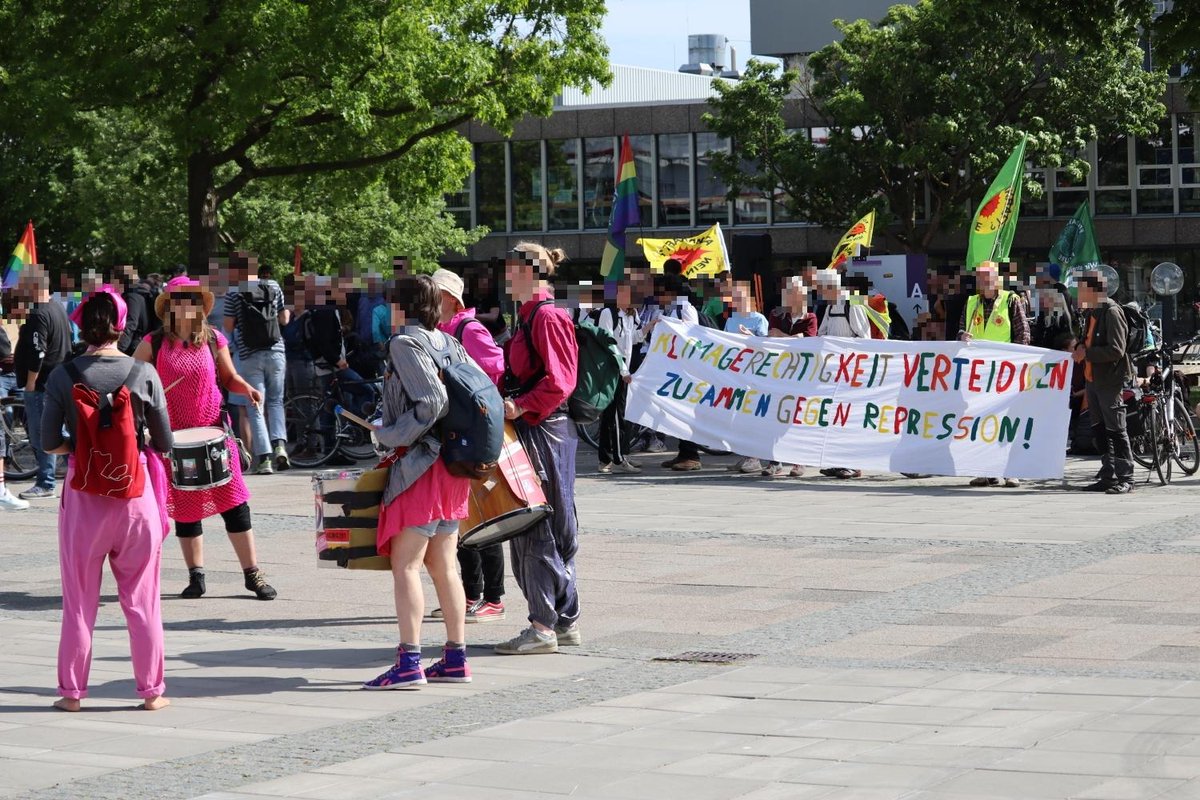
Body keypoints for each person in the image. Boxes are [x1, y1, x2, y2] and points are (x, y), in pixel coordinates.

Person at [41, 287, 173, 712]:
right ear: (121, 324)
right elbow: (166, 443)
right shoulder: (144, 373)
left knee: (78, 601)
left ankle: (73, 694)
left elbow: (47, 443)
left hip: (84, 499)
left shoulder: (63, 375)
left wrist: (81, 450)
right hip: (136, 498)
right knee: (142, 600)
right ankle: (152, 692)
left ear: (82, 324)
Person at [134, 276, 278, 601]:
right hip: (175, 440)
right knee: (187, 510)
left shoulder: (214, 339)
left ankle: (252, 574)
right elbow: (132, 382)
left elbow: (229, 377)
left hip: (215, 433)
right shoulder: (154, 342)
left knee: (236, 505)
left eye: (192, 299)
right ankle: (196, 576)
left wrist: (248, 389)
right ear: (170, 306)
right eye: (180, 300)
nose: (187, 305)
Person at [364, 274, 474, 689]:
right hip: (452, 466)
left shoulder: (405, 343)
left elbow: (433, 401)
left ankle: (409, 661)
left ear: (401, 307)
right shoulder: (450, 342)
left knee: (406, 564)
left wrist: (389, 435)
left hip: (421, 465)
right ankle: (454, 657)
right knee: (445, 566)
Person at [497, 242, 581, 655]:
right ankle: (560, 622)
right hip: (537, 428)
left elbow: (561, 380)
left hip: (544, 429)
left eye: (510, 271)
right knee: (539, 523)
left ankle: (545, 625)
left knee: (538, 524)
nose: (505, 278)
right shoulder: (529, 315)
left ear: (527, 272)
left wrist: (521, 404)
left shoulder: (547, 315)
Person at [429, 267, 508, 623]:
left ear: (447, 298)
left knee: (481, 514)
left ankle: (493, 596)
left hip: (473, 433)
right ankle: (469, 592)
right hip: (454, 431)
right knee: (460, 517)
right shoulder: (441, 330)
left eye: (435, 292)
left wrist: (472, 398)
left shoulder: (468, 328)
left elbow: (494, 369)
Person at [958, 261, 1031, 488]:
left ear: (997, 279)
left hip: (1005, 372)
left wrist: (1018, 365)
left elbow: (1023, 334)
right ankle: (985, 470)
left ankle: (1012, 471)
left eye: (987, 277)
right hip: (979, 373)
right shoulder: (971, 302)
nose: (983, 282)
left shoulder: (1011, 301)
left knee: (1008, 422)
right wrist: (962, 335)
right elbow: (960, 329)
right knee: (981, 421)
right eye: (980, 278)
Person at [224, 254, 290, 474]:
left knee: (255, 405)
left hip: (250, 355)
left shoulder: (234, 292)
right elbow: (284, 319)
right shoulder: (273, 285)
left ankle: (264, 459)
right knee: (276, 402)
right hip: (276, 351)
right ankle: (280, 445)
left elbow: (228, 325)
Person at [13, 266, 73, 500]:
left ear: (34, 286)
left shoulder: (39, 313)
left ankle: (45, 482)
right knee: (61, 430)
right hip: (58, 380)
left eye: (23, 286)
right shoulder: (56, 308)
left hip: (42, 384)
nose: (20, 291)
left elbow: (39, 351)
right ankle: (73, 472)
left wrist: (30, 383)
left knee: (42, 434)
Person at [1075, 271, 1135, 494]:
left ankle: (1126, 477)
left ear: (1094, 291)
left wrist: (1087, 354)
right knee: (1099, 428)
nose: (1078, 293)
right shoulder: (1092, 312)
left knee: (1116, 428)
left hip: (1110, 380)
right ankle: (1108, 474)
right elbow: (1088, 340)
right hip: (1093, 379)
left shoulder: (1111, 311)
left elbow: (1117, 350)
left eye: (1082, 289)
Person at [764, 276, 817, 478]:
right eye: (788, 293)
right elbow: (771, 337)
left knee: (797, 418)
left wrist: (782, 335)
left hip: (801, 375)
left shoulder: (810, 317)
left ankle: (798, 460)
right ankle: (774, 461)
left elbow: (806, 343)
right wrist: (787, 338)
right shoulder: (777, 314)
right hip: (779, 373)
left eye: (794, 293)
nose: (790, 297)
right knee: (775, 416)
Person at [657, 273, 707, 472]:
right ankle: (683, 451)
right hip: (675, 365)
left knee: (687, 410)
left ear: (670, 292)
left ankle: (691, 454)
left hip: (687, 367)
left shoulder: (685, 308)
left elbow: (692, 335)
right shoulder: (670, 308)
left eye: (660, 292)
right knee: (676, 410)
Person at [596, 281, 642, 474]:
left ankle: (606, 458)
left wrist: (649, 326)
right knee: (615, 414)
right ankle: (617, 458)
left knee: (612, 414)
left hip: (625, 368)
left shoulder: (630, 316)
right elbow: (607, 342)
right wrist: (623, 371)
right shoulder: (608, 313)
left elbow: (634, 339)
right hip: (613, 368)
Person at [725, 280, 770, 475]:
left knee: (752, 414)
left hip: (755, 372)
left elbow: (768, 345)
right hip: (737, 373)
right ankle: (745, 454)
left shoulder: (759, 319)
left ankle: (755, 457)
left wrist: (750, 335)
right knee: (738, 415)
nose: (736, 300)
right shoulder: (731, 319)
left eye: (739, 297)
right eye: (733, 297)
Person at [113, 264, 153, 355]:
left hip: (134, 346)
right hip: (137, 343)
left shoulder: (132, 297)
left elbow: (131, 323)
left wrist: (119, 348)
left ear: (121, 280)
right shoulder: (136, 293)